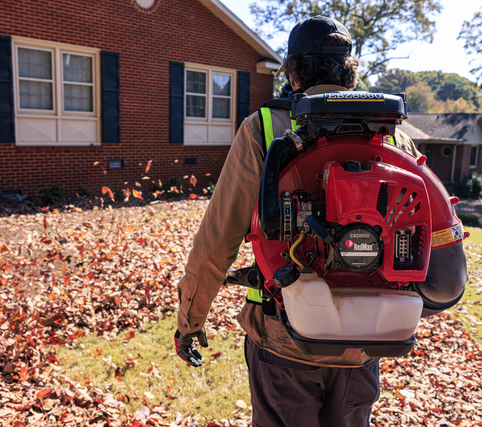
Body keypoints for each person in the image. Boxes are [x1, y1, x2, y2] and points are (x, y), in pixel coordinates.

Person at [174, 16, 420, 427]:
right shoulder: (393, 134)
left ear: (293, 71)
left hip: (283, 335)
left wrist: (190, 321)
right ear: (350, 71)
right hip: (366, 337)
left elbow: (219, 237)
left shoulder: (265, 127)